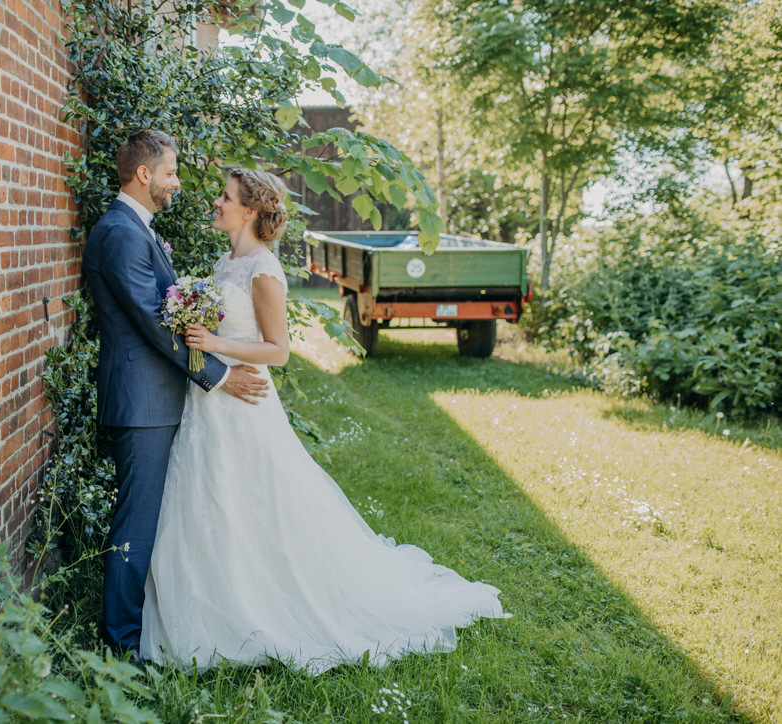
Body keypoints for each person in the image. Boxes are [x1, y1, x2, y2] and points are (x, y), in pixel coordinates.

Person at [140, 168, 509, 674]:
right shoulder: (226, 260)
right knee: (207, 497)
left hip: (246, 406)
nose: (217, 203)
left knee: (251, 501)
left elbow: (279, 350)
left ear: (248, 211)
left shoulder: (263, 269)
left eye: (224, 197)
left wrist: (214, 344)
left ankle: (264, 605)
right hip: (211, 403)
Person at [82, 131, 269, 658]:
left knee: (144, 521)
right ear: (145, 175)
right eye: (171, 172)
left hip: (154, 400)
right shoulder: (121, 233)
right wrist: (220, 374)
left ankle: (136, 633)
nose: (177, 182)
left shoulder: (137, 229)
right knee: (136, 524)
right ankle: (121, 648)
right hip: (141, 403)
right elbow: (150, 322)